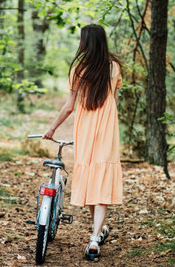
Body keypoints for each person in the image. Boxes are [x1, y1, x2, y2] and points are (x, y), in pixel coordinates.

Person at [42, 24, 123, 261]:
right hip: (108, 129)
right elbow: (115, 102)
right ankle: (95, 237)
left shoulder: (79, 69)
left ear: (86, 43)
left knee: (90, 178)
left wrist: (51, 128)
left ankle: (96, 235)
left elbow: (69, 107)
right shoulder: (114, 67)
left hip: (87, 129)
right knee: (101, 180)